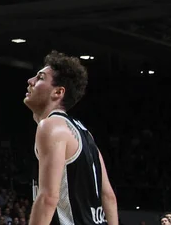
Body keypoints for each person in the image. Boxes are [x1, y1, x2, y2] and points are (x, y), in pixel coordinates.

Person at [25, 51, 118, 225]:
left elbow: (48, 198)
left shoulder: (51, 126)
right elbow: (108, 196)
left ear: (58, 92)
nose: (30, 81)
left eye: (40, 78)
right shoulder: (83, 132)